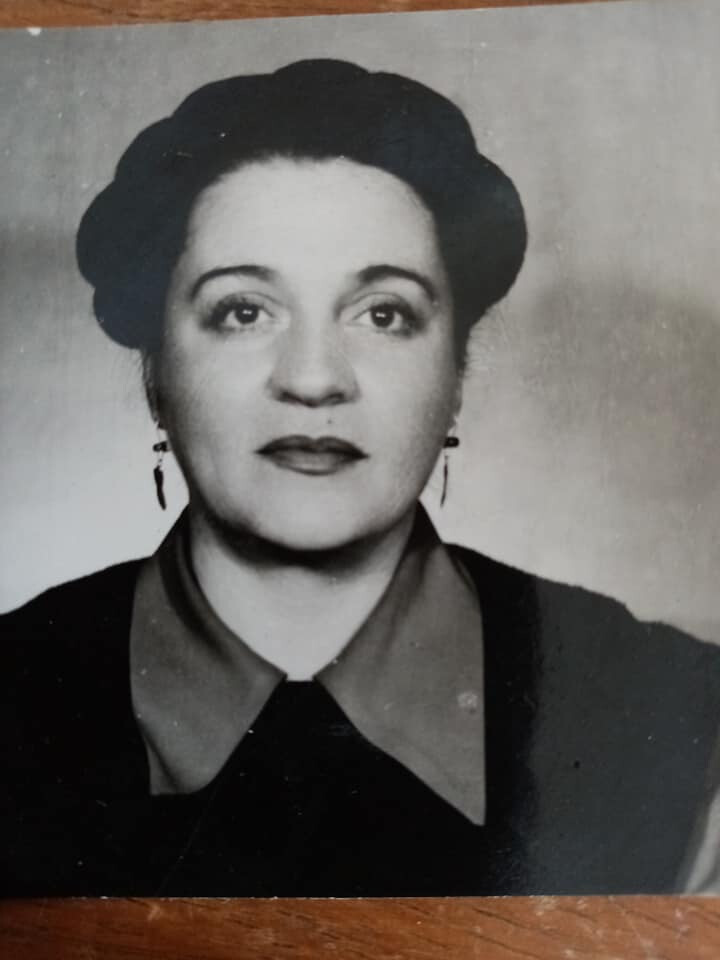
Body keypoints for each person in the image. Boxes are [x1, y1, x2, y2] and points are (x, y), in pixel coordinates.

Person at [1, 59, 719, 898]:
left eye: (384, 314)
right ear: (158, 376)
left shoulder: (680, 725)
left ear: (455, 375)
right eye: (242, 311)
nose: (313, 378)